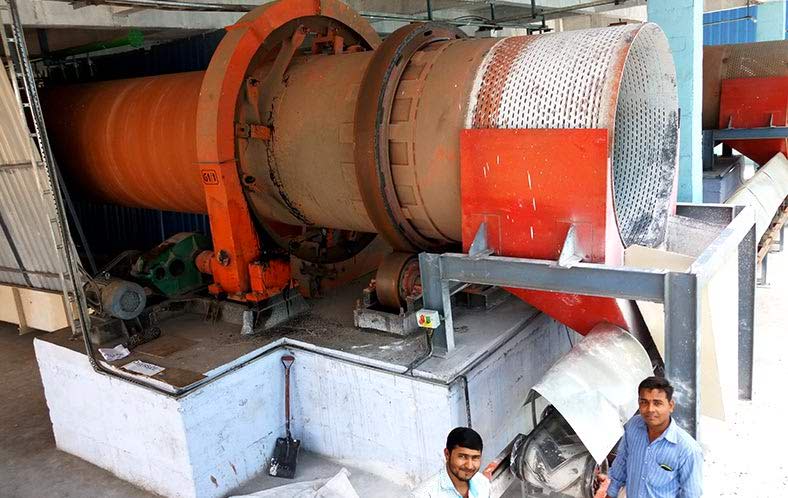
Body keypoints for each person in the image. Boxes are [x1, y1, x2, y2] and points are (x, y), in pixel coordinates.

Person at [604, 376, 703, 498]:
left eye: (657, 403)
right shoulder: (632, 427)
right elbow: (620, 467)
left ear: (671, 405)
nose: (650, 409)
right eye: (644, 402)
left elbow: (691, 494)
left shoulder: (688, 449)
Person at [413, 427, 490, 498]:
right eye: (462, 456)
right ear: (447, 454)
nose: (469, 466)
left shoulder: (483, 484)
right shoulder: (424, 495)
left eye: (475, 458)